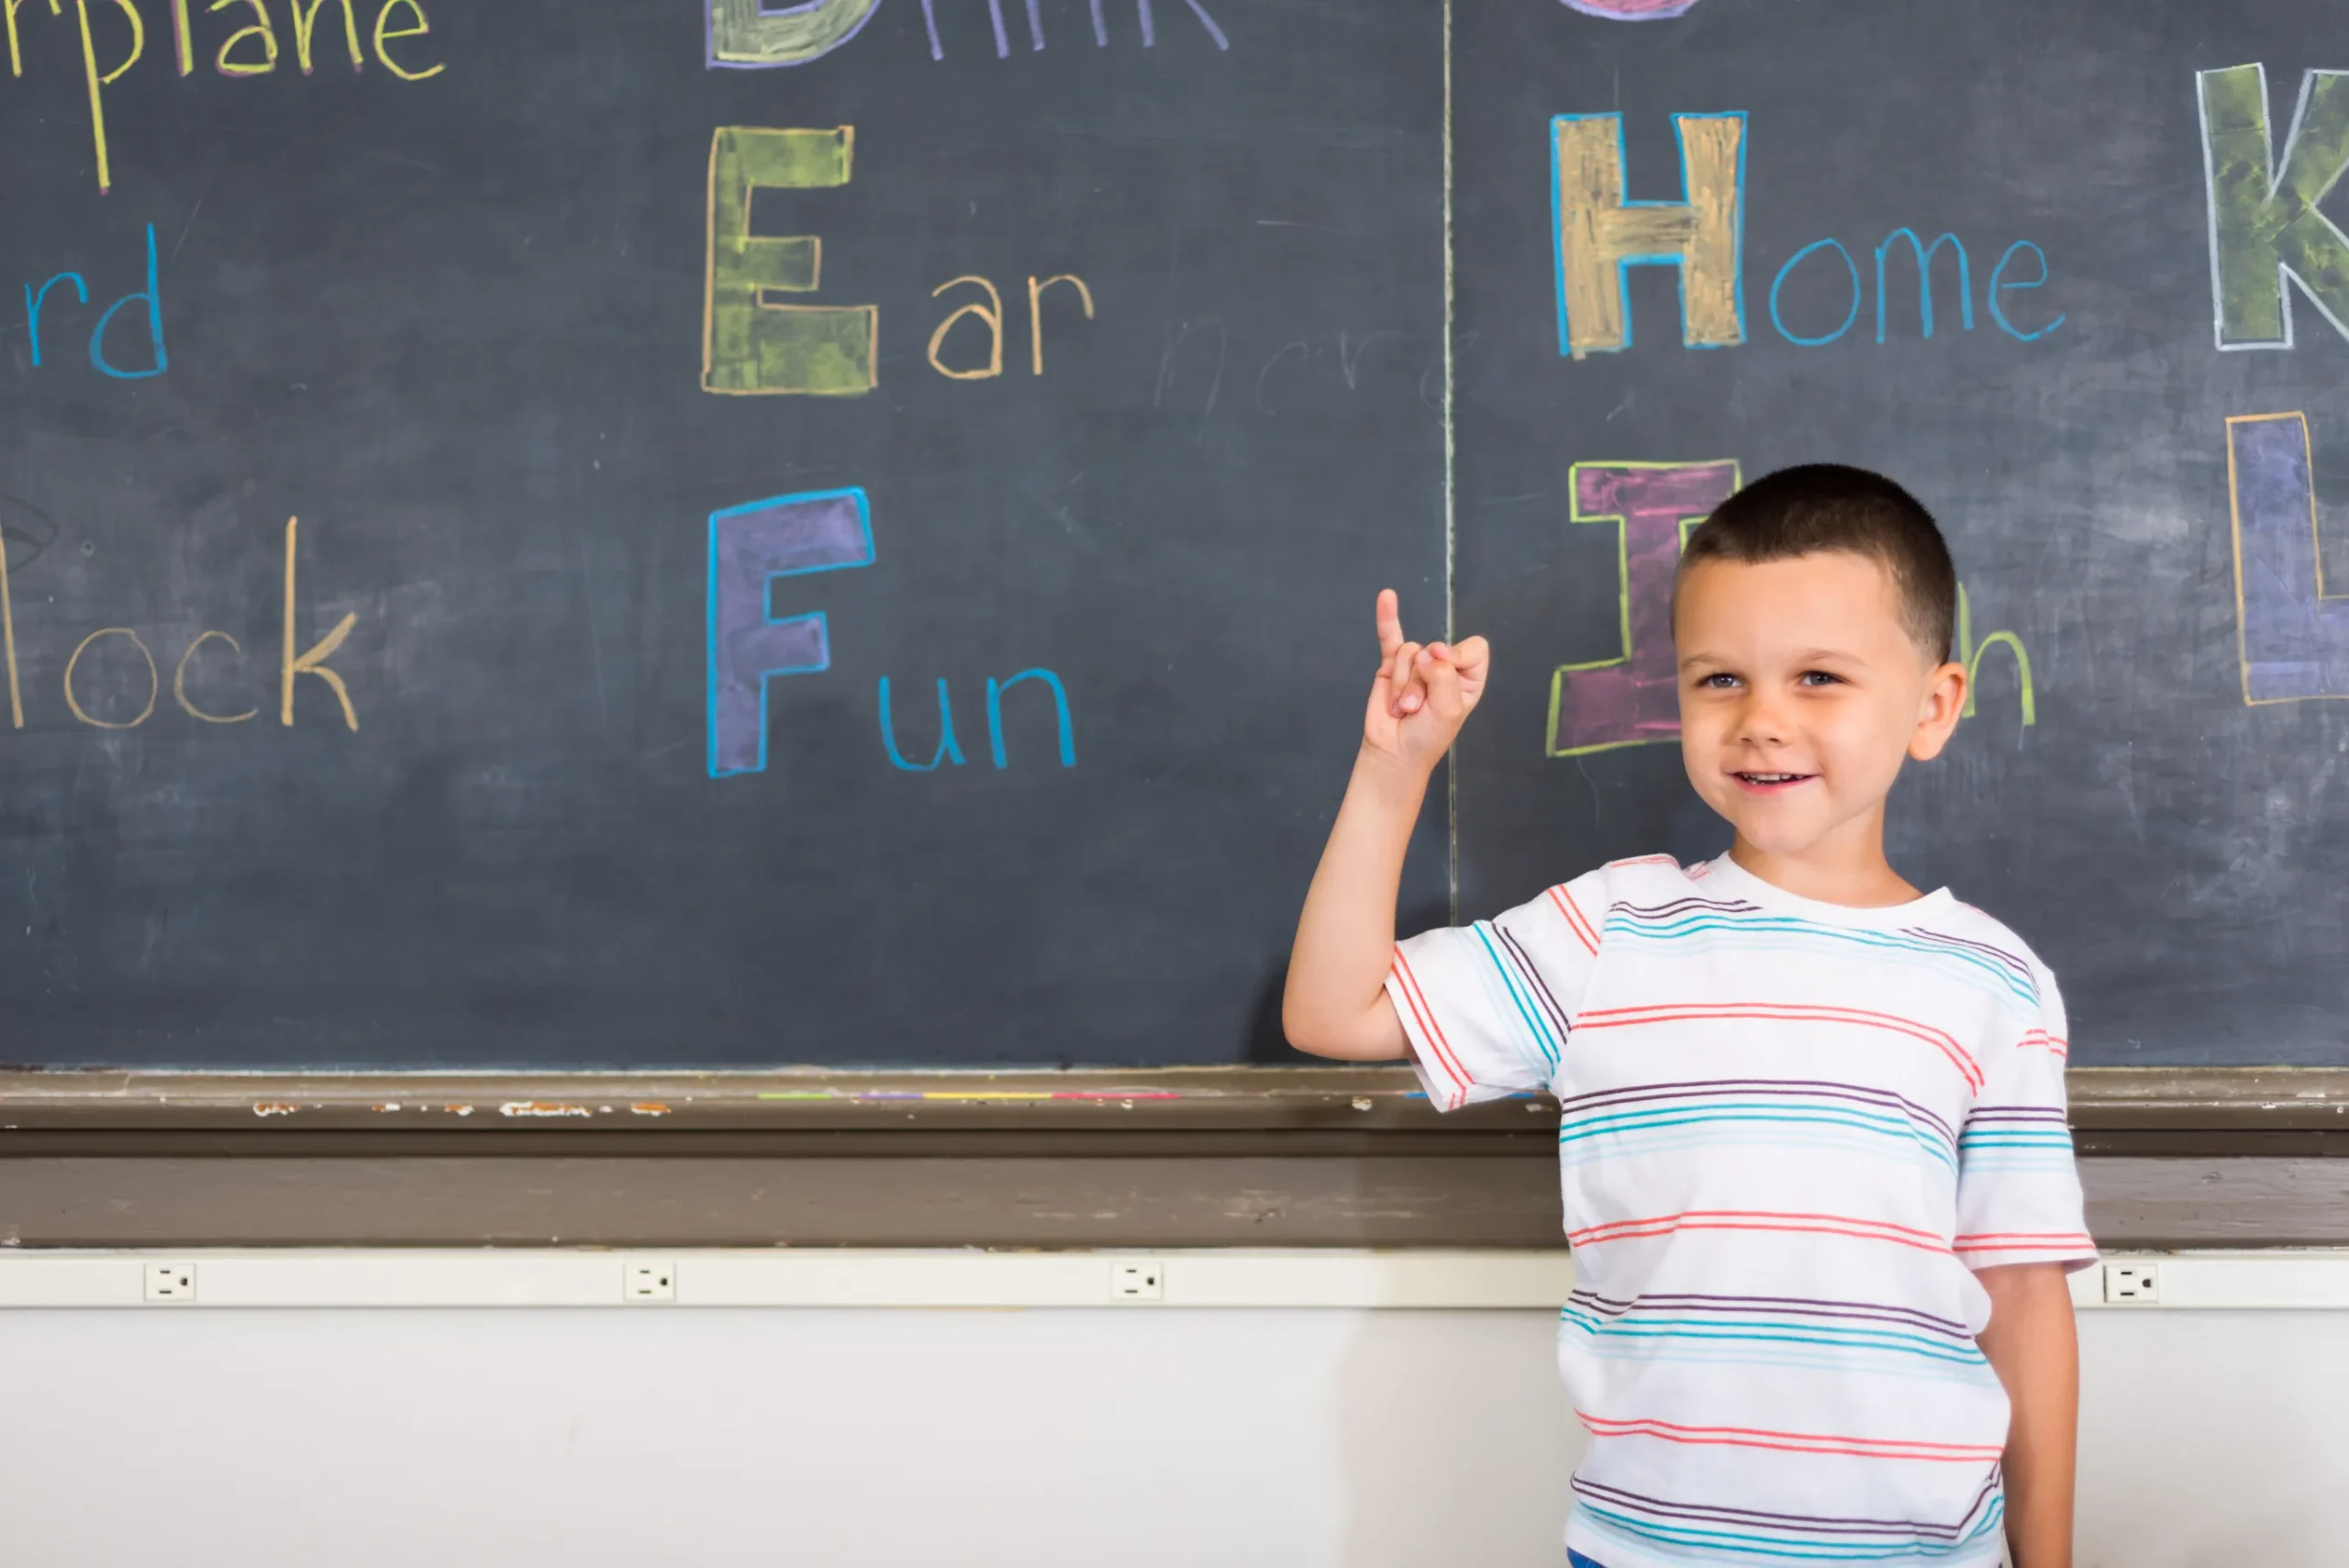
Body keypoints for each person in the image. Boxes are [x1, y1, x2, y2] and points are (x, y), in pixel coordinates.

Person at [1284, 465, 2094, 1568]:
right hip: (1648, 1548)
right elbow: (1334, 1011)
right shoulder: (1612, 926)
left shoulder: (1990, 979)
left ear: (1932, 705)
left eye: (1818, 676)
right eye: (1719, 678)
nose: (1762, 720)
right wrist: (1395, 767)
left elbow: (2022, 1296)